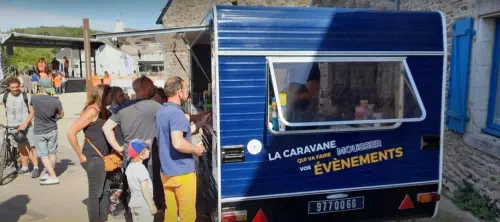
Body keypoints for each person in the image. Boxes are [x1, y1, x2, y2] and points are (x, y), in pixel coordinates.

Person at [102, 76, 162, 209]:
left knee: (133, 191)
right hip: (149, 159)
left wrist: (119, 148)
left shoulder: (123, 109)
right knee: (149, 192)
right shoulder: (154, 106)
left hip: (129, 157)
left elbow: (106, 128)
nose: (154, 87)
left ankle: (133, 215)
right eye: (151, 85)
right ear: (145, 89)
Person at [156, 77, 205, 222]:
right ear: (179, 92)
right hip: (182, 172)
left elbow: (175, 134)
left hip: (166, 172)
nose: (188, 91)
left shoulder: (162, 110)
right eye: (186, 88)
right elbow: (177, 143)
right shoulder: (177, 114)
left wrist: (198, 125)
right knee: (187, 215)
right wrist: (196, 149)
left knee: (171, 212)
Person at [66, 84, 112, 222]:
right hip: (93, 157)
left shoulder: (103, 110)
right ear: (103, 96)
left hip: (104, 158)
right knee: (96, 193)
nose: (112, 97)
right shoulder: (92, 111)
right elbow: (70, 132)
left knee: (104, 191)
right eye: (110, 95)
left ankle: (102, 218)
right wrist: (80, 156)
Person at [3, 77, 40, 177]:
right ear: (8, 87)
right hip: (12, 126)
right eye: (12, 87)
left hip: (26, 126)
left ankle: (36, 167)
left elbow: (32, 112)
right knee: (20, 147)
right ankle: (24, 167)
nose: (15, 89)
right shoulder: (5, 96)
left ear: (20, 86)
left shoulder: (26, 96)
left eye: (17, 87)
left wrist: (25, 123)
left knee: (31, 147)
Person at [31, 78, 64, 185]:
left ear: (40, 87)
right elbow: (61, 114)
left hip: (39, 130)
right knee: (52, 152)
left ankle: (53, 176)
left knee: (43, 154)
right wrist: (56, 118)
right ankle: (50, 173)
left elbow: (31, 110)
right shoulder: (55, 100)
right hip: (52, 129)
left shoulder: (34, 98)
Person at [125, 140, 157, 221]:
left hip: (134, 203)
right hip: (144, 205)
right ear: (141, 155)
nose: (149, 151)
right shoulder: (141, 169)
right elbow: (145, 190)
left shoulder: (129, 167)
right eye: (147, 150)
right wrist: (152, 206)